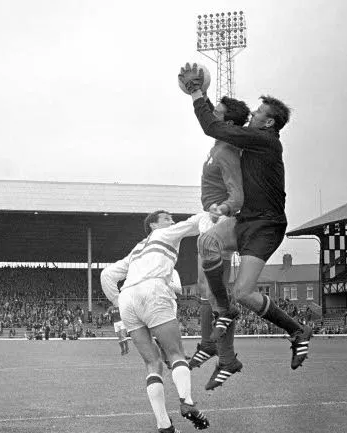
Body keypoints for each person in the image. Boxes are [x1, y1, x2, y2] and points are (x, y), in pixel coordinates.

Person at [178, 63, 312, 372]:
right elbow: (223, 124)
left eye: (258, 114)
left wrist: (197, 93)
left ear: (269, 123)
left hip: (266, 225)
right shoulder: (253, 138)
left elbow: (215, 127)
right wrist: (206, 97)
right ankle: (218, 320)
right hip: (246, 220)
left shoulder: (265, 141)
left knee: (245, 292)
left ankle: (297, 330)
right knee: (208, 241)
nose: (252, 115)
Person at [101, 210, 210, 433]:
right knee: (176, 353)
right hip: (153, 290)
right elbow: (196, 222)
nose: (172, 222)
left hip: (128, 298)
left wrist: (117, 300)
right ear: (153, 225)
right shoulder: (164, 235)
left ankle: (164, 426)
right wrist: (217, 212)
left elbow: (107, 274)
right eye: (167, 219)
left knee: (153, 364)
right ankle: (187, 402)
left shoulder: (135, 251)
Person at [188, 95, 250, 391]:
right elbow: (214, 119)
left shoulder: (227, 151)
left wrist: (221, 210)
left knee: (215, 292)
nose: (212, 115)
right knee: (205, 290)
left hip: (220, 222)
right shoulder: (219, 144)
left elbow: (237, 196)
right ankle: (211, 347)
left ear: (227, 123)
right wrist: (200, 94)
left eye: (218, 112)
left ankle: (226, 356)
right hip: (209, 218)